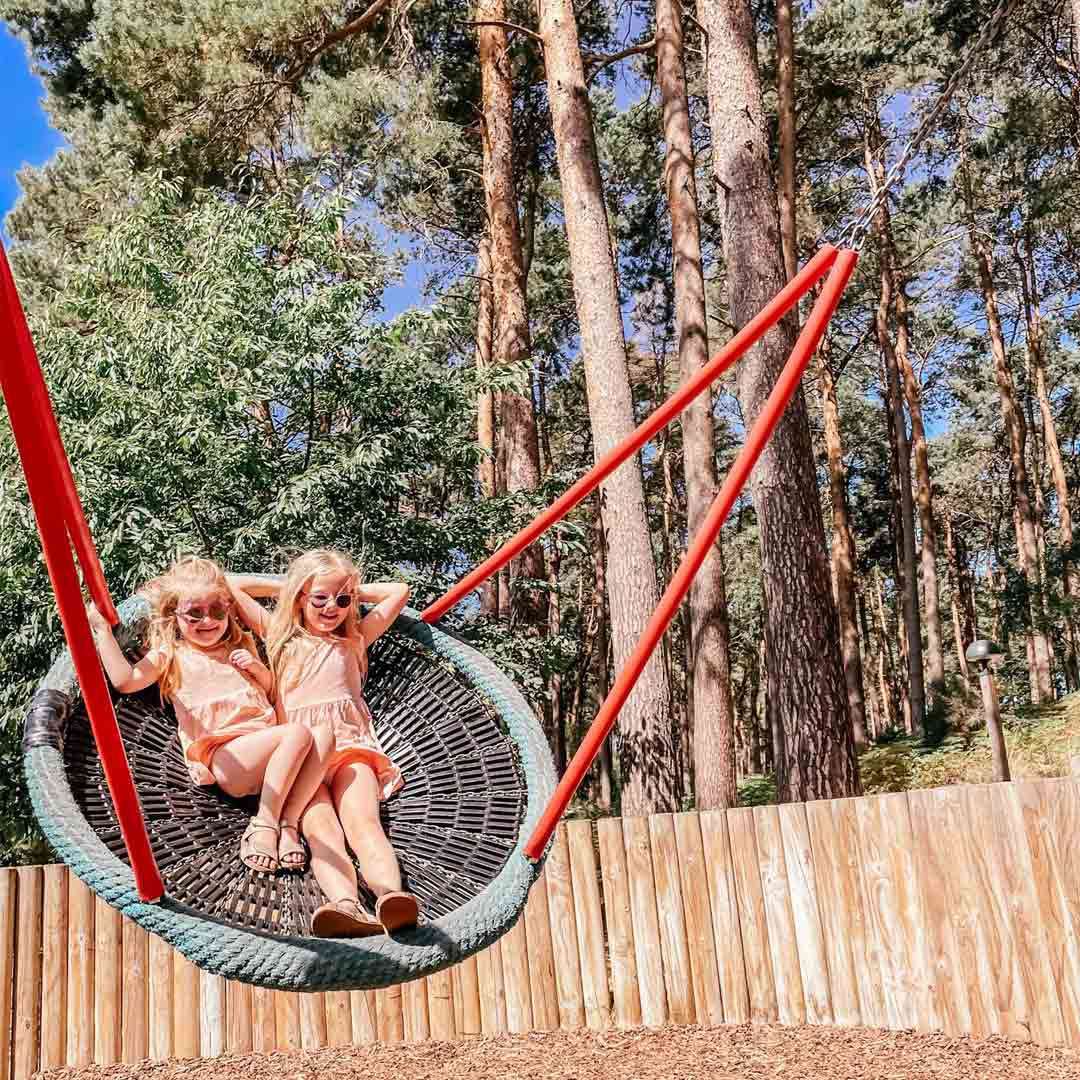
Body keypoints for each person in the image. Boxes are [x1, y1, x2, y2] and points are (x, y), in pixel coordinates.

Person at [87, 556, 327, 874]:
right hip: (227, 759)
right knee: (298, 733)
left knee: (324, 733)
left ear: (228, 610)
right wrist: (101, 631)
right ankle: (263, 824)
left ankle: (288, 825)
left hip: (274, 755)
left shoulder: (239, 646)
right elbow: (125, 680)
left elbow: (269, 691)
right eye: (194, 614)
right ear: (175, 616)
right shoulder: (171, 655)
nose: (206, 622)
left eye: (216, 611)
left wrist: (255, 668)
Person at [229, 550, 419, 936]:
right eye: (320, 598)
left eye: (342, 599)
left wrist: (346, 587)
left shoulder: (354, 640)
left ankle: (389, 897)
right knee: (321, 833)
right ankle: (346, 905)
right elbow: (232, 585)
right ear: (301, 597)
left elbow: (400, 591)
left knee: (364, 823)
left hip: (351, 749)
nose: (332, 606)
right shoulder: (280, 637)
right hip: (304, 758)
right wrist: (295, 586)